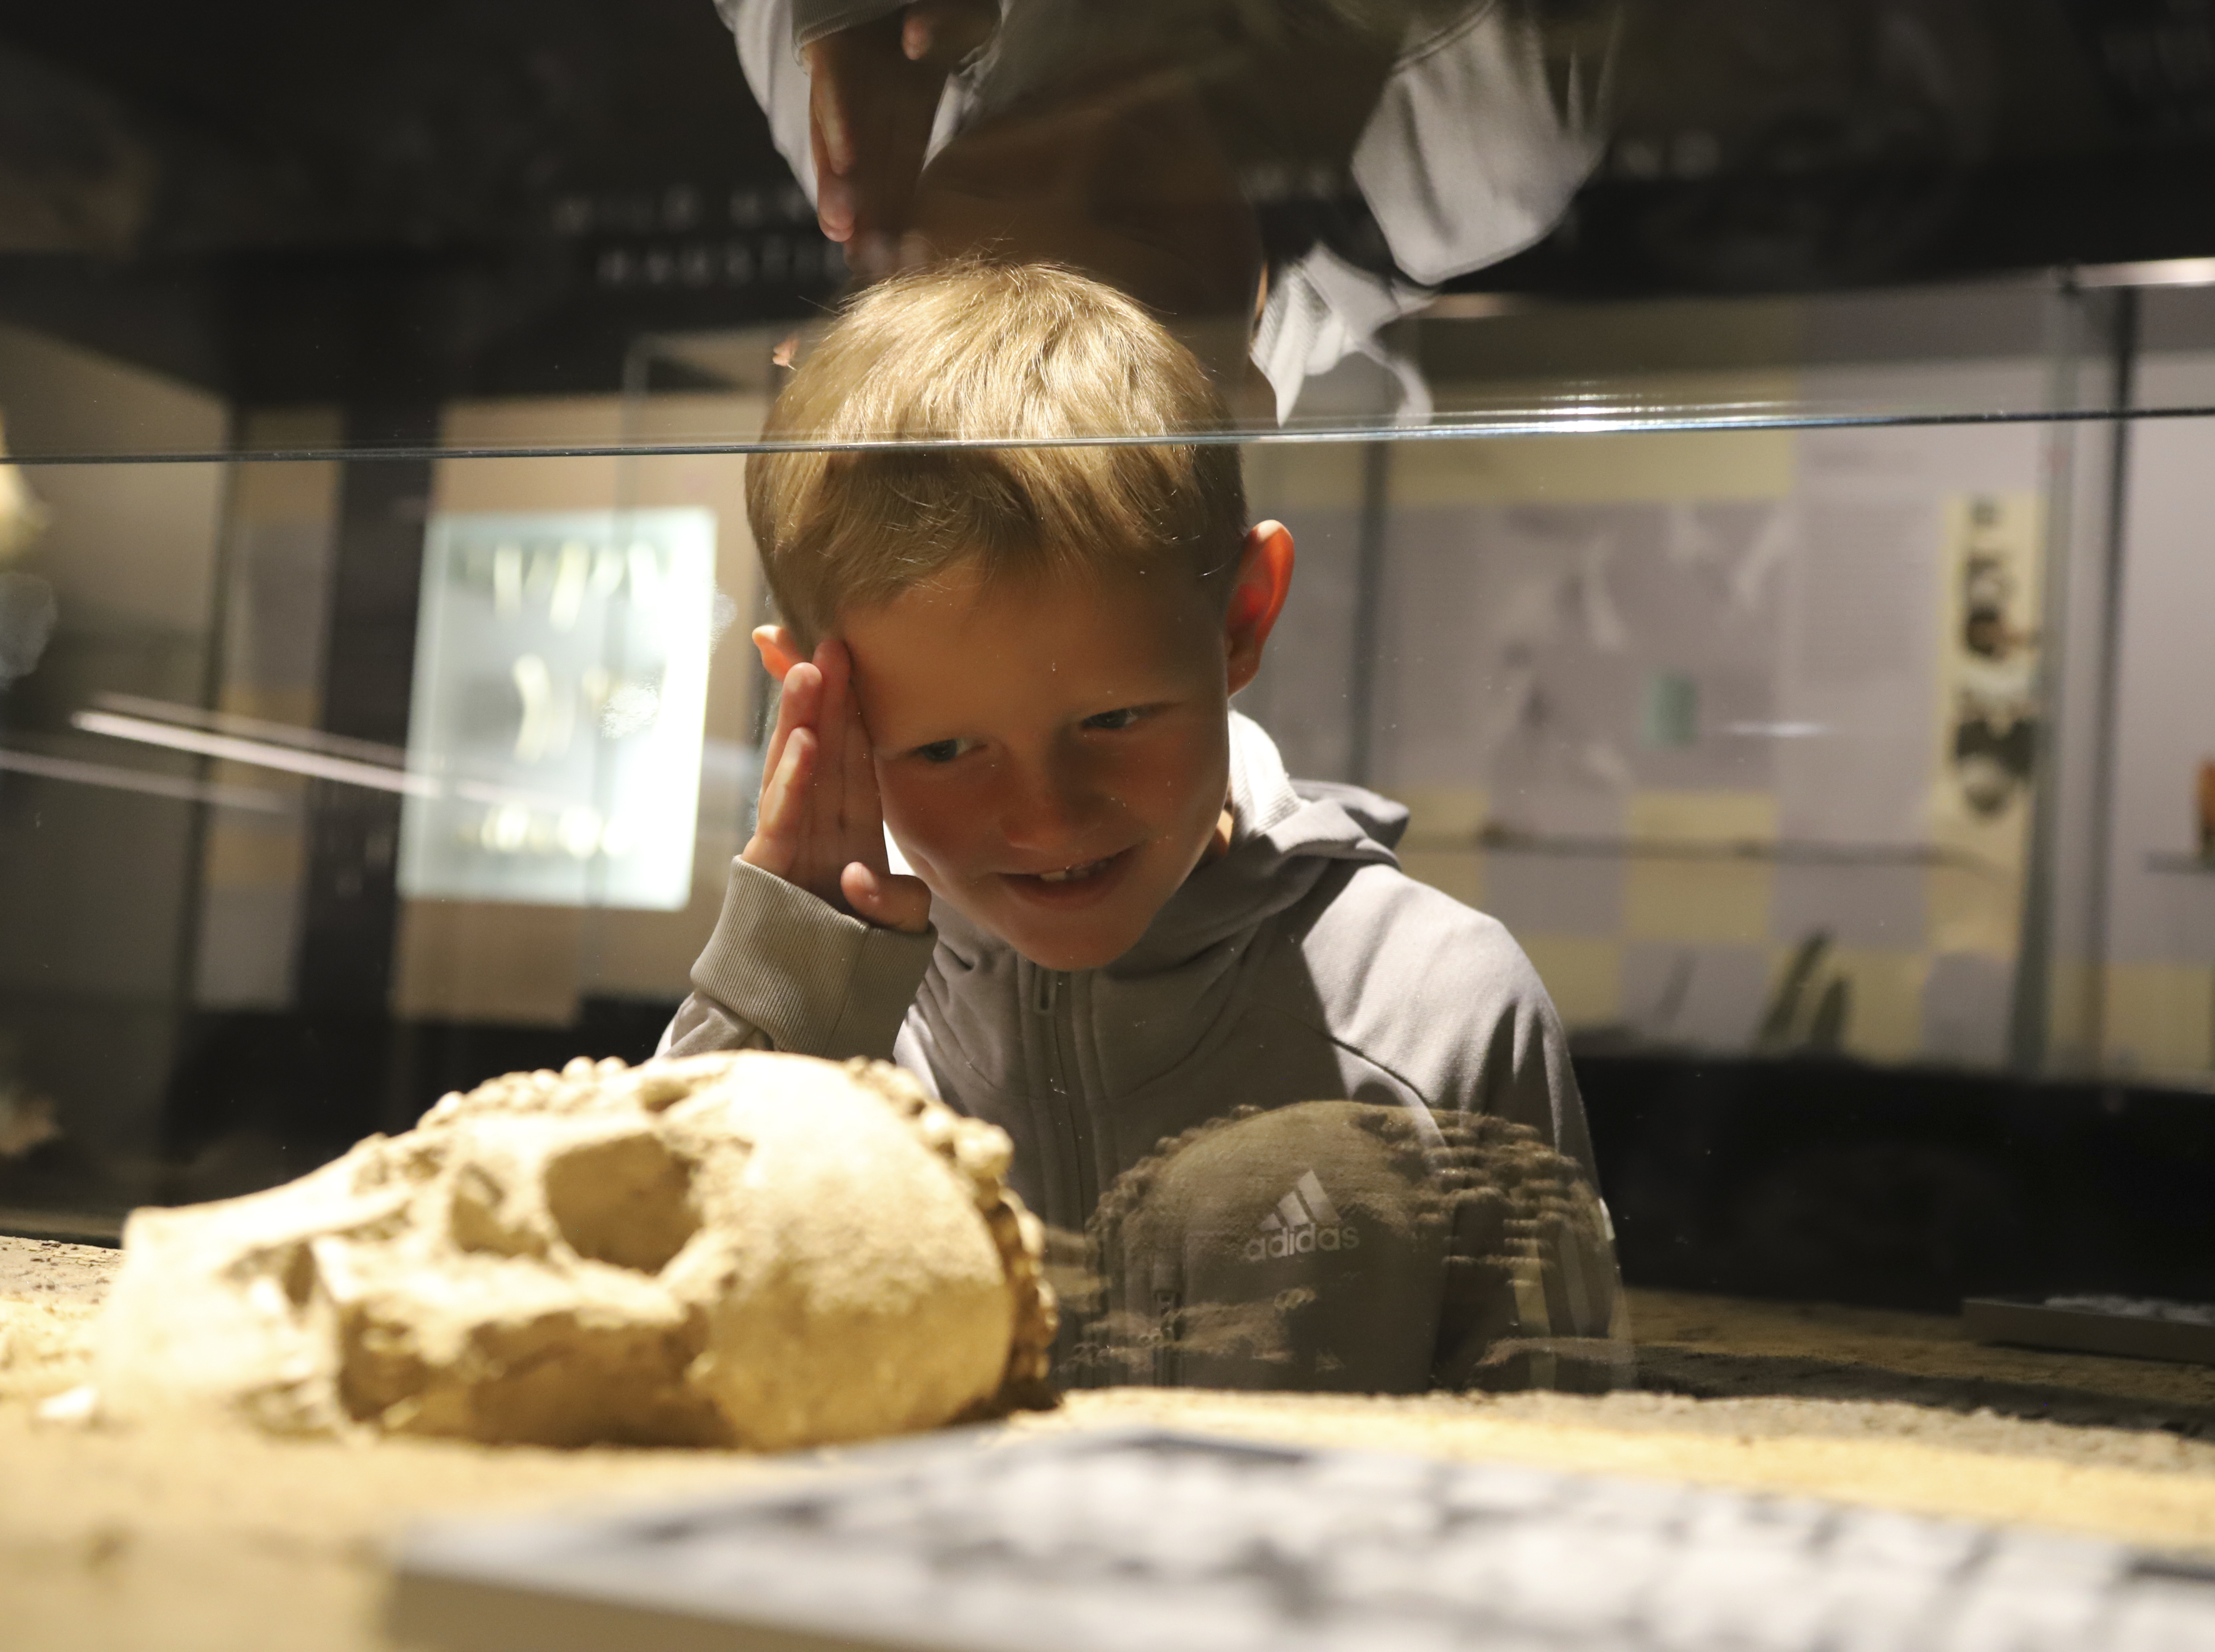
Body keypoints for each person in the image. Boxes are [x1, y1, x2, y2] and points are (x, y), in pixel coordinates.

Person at [661, 261, 1618, 1389]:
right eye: (946, 750)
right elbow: (639, 1358)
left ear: (1244, 616)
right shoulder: (820, 1023)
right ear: (809, 700)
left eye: (1113, 719)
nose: (1046, 815)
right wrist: (777, 999)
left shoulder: (1436, 1004)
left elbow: (1563, 1452)